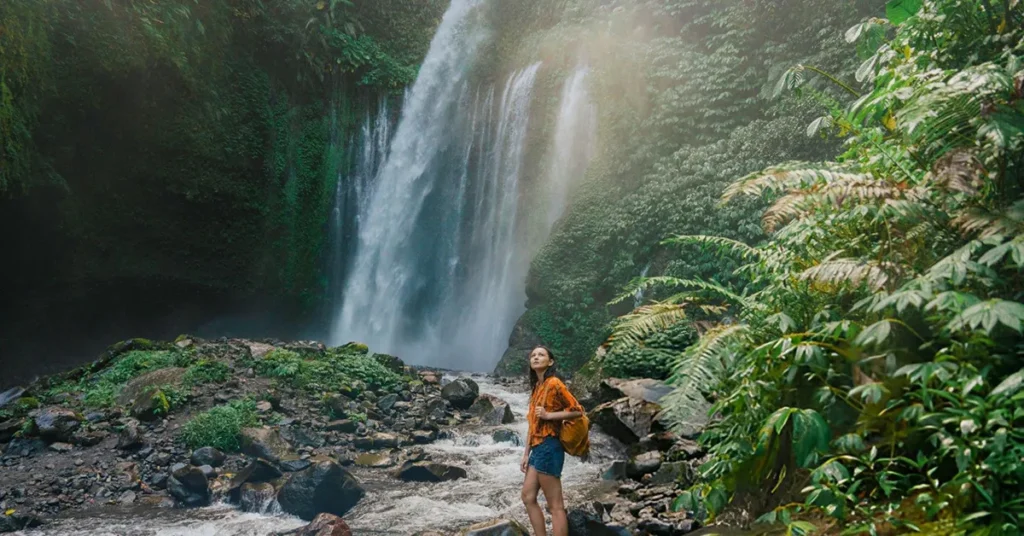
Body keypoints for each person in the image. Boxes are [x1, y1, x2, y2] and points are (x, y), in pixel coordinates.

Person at [521, 346, 584, 536]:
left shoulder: (555, 383)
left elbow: (577, 410)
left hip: (550, 445)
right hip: (537, 448)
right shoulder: (537, 387)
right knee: (528, 496)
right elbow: (532, 424)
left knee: (555, 505)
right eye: (533, 355)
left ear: (551, 362)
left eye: (541, 355)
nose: (536, 357)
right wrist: (526, 453)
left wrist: (549, 415)